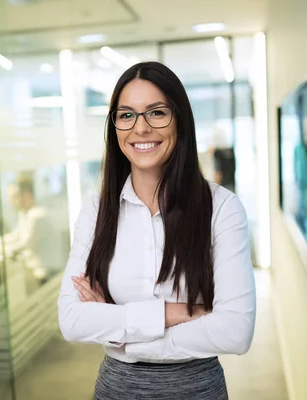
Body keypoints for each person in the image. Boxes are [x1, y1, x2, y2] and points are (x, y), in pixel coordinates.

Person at [57, 61, 256, 400]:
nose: (141, 128)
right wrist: (172, 313)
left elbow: (235, 331)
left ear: (180, 120)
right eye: (126, 115)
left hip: (197, 390)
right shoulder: (96, 212)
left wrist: (123, 332)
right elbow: (73, 319)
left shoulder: (221, 209)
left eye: (157, 112)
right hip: (115, 390)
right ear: (115, 127)